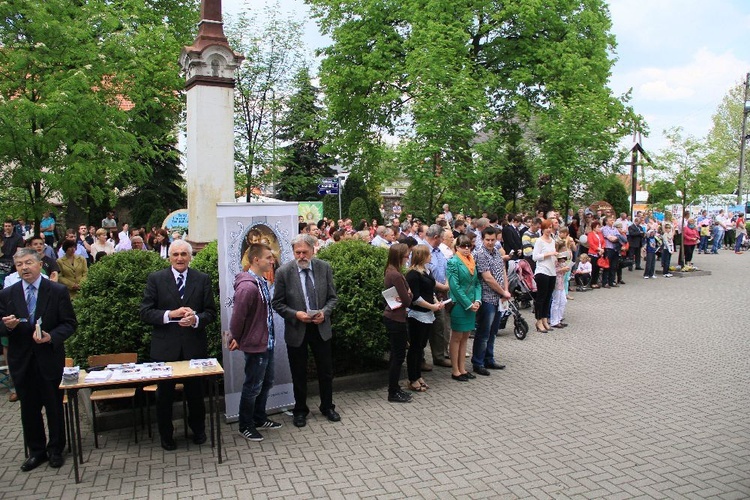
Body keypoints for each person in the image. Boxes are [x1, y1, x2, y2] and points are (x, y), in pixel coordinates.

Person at [0, 248, 77, 471]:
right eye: (19, 265)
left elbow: (69, 323)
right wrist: (7, 325)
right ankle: (36, 451)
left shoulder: (56, 290)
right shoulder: (7, 294)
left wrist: (51, 336)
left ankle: (56, 449)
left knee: (54, 406)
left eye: (28, 263)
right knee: (29, 409)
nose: (24, 268)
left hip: (49, 358)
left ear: (39, 264)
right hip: (22, 360)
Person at [139, 239, 216, 450]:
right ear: (169, 257)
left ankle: (198, 430)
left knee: (196, 394)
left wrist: (196, 320)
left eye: (184, 254)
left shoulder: (202, 279)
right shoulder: (156, 279)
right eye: (176, 254)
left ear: (190, 257)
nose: (180, 258)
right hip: (165, 348)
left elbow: (210, 312)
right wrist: (169, 314)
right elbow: (145, 312)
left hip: (194, 347)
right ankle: (166, 435)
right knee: (164, 396)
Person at [272, 234, 340, 428]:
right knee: (299, 372)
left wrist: (324, 313)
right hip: (297, 328)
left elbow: (333, 298)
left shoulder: (323, 267)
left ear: (313, 250)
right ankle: (300, 410)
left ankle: (327, 407)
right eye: (297, 252)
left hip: (320, 328)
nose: (301, 256)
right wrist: (296, 314)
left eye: (304, 252)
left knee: (325, 371)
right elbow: (277, 303)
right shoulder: (284, 272)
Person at [229, 243, 282, 442]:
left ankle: (259, 418)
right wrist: (236, 337)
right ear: (255, 260)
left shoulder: (260, 282)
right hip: (255, 345)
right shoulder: (247, 287)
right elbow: (238, 317)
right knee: (252, 386)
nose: (272, 261)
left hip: (266, 342)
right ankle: (246, 425)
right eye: (268, 257)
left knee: (266, 382)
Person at [472, 227, 510, 377]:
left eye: (492, 240)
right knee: (484, 332)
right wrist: (502, 291)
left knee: (493, 331)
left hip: (499, 298)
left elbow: (503, 271)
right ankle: (478, 362)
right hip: (487, 298)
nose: (490, 242)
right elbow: (487, 278)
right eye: (487, 240)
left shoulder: (497, 252)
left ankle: (489, 358)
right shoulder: (480, 254)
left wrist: (506, 289)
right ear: (482, 239)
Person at [405, 245, 443, 391]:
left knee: (421, 346)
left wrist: (435, 301)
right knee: (415, 347)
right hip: (418, 314)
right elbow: (416, 297)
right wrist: (431, 306)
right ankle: (412, 377)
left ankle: (418, 375)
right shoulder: (413, 274)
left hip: (427, 312)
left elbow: (430, 290)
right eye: (428, 254)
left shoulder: (426, 271)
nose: (431, 256)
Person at [447, 233, 481, 382]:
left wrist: (478, 300)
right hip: (460, 304)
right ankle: (455, 370)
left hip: (472, 303)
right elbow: (454, 286)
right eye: (463, 246)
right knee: (457, 336)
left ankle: (463, 368)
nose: (466, 249)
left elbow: (477, 283)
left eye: (469, 246)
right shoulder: (453, 262)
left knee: (466, 336)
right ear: (457, 247)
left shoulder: (472, 260)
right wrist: (468, 303)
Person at [382, 243, 413, 403]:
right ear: (400, 257)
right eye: (406, 256)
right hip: (396, 318)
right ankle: (393, 391)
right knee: (398, 356)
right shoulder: (396, 275)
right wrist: (409, 294)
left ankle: (394, 388)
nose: (408, 258)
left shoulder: (390, 271)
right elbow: (407, 300)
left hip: (393, 317)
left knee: (396, 355)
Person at [532, 219, 557, 333]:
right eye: (547, 227)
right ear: (543, 228)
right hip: (542, 271)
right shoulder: (539, 241)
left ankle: (545, 319)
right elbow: (535, 257)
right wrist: (548, 254)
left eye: (550, 227)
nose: (548, 229)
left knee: (548, 297)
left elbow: (554, 254)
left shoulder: (552, 240)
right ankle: (538, 320)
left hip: (552, 271)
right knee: (541, 297)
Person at [549, 242, 570, 329]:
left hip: (561, 281)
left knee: (563, 301)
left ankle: (559, 318)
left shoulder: (562, 258)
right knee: (556, 301)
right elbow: (554, 270)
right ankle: (554, 321)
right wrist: (562, 269)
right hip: (556, 281)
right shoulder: (554, 258)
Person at [1, 219, 25, 285]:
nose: (7, 228)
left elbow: (19, 251)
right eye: (5, 226)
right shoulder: (1, 237)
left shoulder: (18, 237)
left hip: (12, 263)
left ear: (13, 226)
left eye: (9, 226)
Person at [586, 221, 604, 288]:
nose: (599, 228)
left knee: (597, 268)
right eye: (598, 227)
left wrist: (602, 249)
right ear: (594, 228)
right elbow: (591, 244)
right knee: (593, 268)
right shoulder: (590, 234)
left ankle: (595, 282)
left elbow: (603, 242)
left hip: (600, 253)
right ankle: (592, 282)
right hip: (593, 253)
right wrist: (598, 249)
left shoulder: (600, 234)